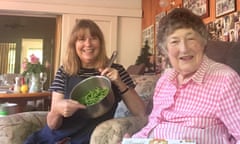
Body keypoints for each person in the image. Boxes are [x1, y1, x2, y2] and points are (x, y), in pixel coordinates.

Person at [24, 19, 146, 144]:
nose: (88, 44)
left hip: (90, 138)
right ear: (74, 44)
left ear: (100, 43)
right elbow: (52, 125)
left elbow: (141, 112)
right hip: (54, 137)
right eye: (81, 39)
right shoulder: (64, 72)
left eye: (93, 38)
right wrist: (56, 111)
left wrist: (119, 82)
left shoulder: (116, 71)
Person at [128, 8, 240, 144]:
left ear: (203, 43)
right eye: (175, 41)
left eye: (191, 38)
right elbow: (153, 124)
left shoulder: (225, 80)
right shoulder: (165, 80)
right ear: (165, 50)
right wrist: (134, 141)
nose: (184, 48)